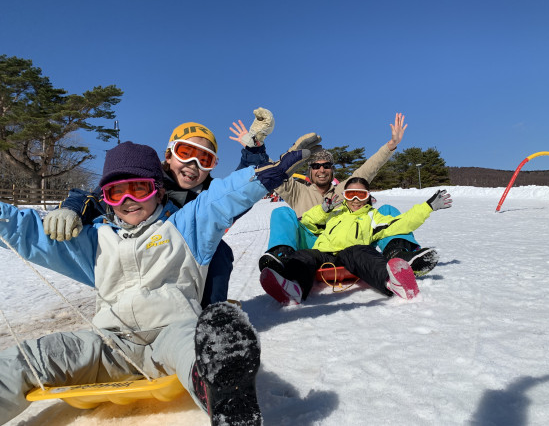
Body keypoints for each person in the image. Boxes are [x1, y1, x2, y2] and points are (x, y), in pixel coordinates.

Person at [0, 140, 313, 425]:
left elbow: (224, 198)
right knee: (30, 358)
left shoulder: (186, 227)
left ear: (158, 190)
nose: (127, 200)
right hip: (110, 346)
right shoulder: (94, 240)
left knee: (199, 344)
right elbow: (22, 231)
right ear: (105, 198)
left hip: (172, 334)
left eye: (138, 189)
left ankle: (227, 397)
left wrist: (267, 174)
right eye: (115, 192)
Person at [43, 114, 275, 309]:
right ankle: (125, 314)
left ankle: (210, 314)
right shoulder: (144, 179)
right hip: (136, 251)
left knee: (218, 251)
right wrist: (71, 209)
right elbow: (96, 197)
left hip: (183, 259)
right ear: (168, 155)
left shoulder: (209, 196)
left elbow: (242, 187)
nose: (194, 165)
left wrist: (254, 149)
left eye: (204, 159)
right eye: (186, 153)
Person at [258, 113, 439, 277]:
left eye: (326, 165)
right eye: (316, 166)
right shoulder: (297, 190)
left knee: (387, 210)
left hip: (348, 242)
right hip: (313, 247)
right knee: (281, 212)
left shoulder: (344, 189)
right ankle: (282, 258)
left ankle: (400, 255)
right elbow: (271, 173)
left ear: (332, 170)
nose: (322, 170)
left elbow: (367, 170)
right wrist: (256, 148)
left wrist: (390, 146)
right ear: (310, 171)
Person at [259, 177, 453, 304]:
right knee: (303, 257)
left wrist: (427, 207)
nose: (355, 199)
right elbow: (307, 224)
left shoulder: (372, 216)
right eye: (351, 194)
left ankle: (392, 281)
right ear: (344, 196)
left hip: (351, 254)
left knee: (362, 252)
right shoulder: (335, 213)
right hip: (323, 252)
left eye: (361, 195)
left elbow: (401, 223)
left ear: (368, 197)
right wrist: (322, 211)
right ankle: (295, 287)